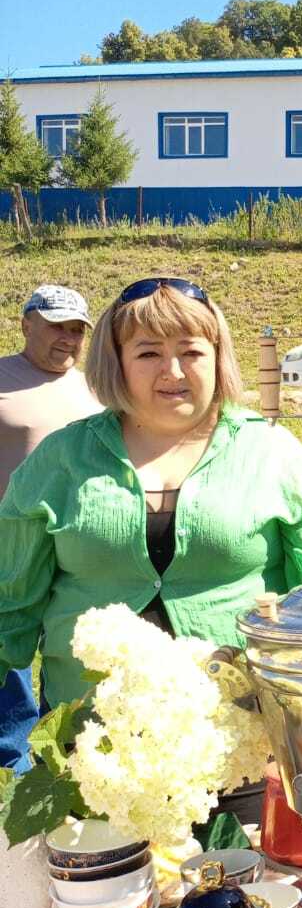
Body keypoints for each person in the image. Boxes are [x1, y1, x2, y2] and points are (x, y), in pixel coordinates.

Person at [0, 276, 302, 715]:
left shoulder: (274, 454)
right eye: (148, 352)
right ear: (117, 362)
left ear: (218, 358)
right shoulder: (59, 459)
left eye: (191, 352)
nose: (173, 371)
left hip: (242, 732)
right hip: (90, 739)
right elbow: (11, 599)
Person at [0, 286, 102, 769]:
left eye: (77, 329)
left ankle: (61, 756)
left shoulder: (93, 388)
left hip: (75, 545)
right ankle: (13, 765)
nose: (68, 338)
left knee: (68, 650)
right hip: (10, 543)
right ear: (26, 324)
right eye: (57, 325)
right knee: (10, 653)